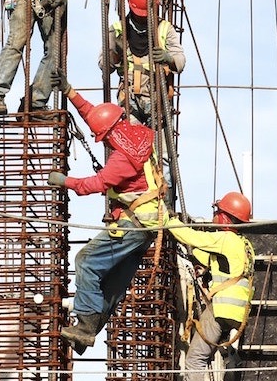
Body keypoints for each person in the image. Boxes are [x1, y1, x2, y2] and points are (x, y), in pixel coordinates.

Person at [50, 86, 163, 354]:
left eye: (103, 138)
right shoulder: (134, 135)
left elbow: (98, 183)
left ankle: (86, 325)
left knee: (86, 261)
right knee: (112, 284)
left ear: (110, 133)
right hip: (146, 225)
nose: (103, 142)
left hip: (133, 224)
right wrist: (69, 91)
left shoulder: (123, 158)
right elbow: (96, 115)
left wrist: (65, 181)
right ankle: (86, 333)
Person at [167, 192, 257, 377]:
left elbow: (190, 237)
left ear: (225, 217)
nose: (214, 215)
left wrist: (168, 220)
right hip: (238, 313)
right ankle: (230, 356)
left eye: (218, 211)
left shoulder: (225, 238)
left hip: (222, 310)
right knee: (220, 351)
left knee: (195, 361)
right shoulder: (245, 245)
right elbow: (211, 258)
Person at [99, 0, 185, 125]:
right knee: (133, 144)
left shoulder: (164, 28)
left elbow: (180, 61)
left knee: (161, 146)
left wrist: (168, 58)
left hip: (156, 97)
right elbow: (104, 67)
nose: (143, 17)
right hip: (129, 98)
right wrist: (115, 55)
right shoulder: (118, 30)